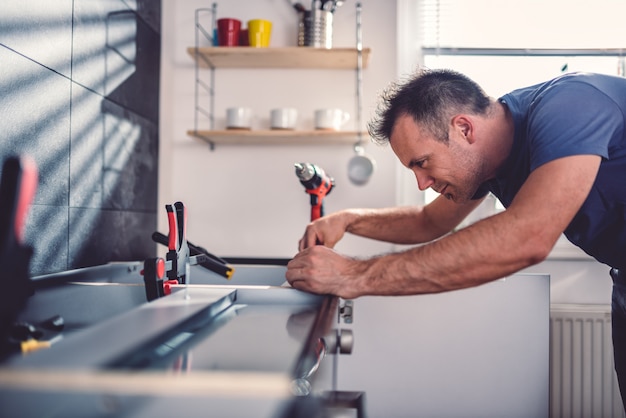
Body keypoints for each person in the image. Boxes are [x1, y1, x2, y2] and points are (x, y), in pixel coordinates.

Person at [285, 68, 626, 408]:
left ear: (463, 128)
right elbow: (427, 221)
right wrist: (348, 220)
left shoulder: (570, 106)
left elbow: (529, 235)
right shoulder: (490, 160)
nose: (421, 183)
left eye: (423, 163)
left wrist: (352, 275)